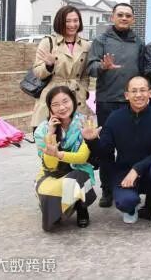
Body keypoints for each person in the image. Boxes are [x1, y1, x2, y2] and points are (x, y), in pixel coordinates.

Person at [82, 76, 151, 236]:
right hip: (124, 172)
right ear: (126, 95)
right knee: (125, 202)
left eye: (143, 90)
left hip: (150, 171)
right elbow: (105, 151)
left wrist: (137, 169)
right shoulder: (115, 118)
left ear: (150, 93)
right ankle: (132, 208)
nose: (139, 95)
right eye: (134, 91)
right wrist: (92, 141)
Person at [87, 2, 145, 208]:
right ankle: (107, 190)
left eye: (128, 15)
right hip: (108, 102)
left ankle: (130, 185)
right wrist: (103, 66)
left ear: (133, 19)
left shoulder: (138, 42)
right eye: (120, 15)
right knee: (106, 149)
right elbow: (90, 67)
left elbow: (143, 70)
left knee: (132, 147)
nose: (124, 18)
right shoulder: (101, 40)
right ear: (112, 17)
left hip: (133, 103)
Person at [34, 86, 96, 231]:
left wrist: (58, 154)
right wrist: (50, 133)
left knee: (76, 178)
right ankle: (60, 209)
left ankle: (81, 207)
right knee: (46, 192)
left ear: (73, 101)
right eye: (55, 104)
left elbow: (82, 158)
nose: (62, 108)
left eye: (65, 101)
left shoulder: (85, 123)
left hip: (78, 170)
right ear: (49, 108)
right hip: (52, 173)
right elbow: (49, 166)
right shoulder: (42, 130)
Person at [31, 6, 92, 128]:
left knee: (78, 136)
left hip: (77, 98)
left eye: (76, 20)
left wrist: (83, 90)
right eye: (68, 21)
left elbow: (86, 75)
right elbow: (37, 72)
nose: (72, 25)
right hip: (52, 96)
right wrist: (49, 66)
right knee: (51, 135)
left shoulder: (86, 45)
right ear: (60, 22)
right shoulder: (48, 42)